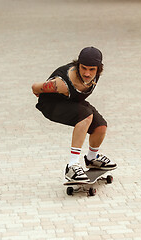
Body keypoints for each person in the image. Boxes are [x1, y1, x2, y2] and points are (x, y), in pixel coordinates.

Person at [32, 47, 117, 183]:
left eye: (92, 69)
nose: (87, 73)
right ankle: (72, 165)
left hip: (71, 102)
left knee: (100, 126)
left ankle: (91, 158)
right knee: (86, 116)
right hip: (51, 105)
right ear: (78, 65)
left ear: (98, 68)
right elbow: (35, 87)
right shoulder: (61, 84)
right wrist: (41, 90)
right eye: (83, 68)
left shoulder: (95, 75)